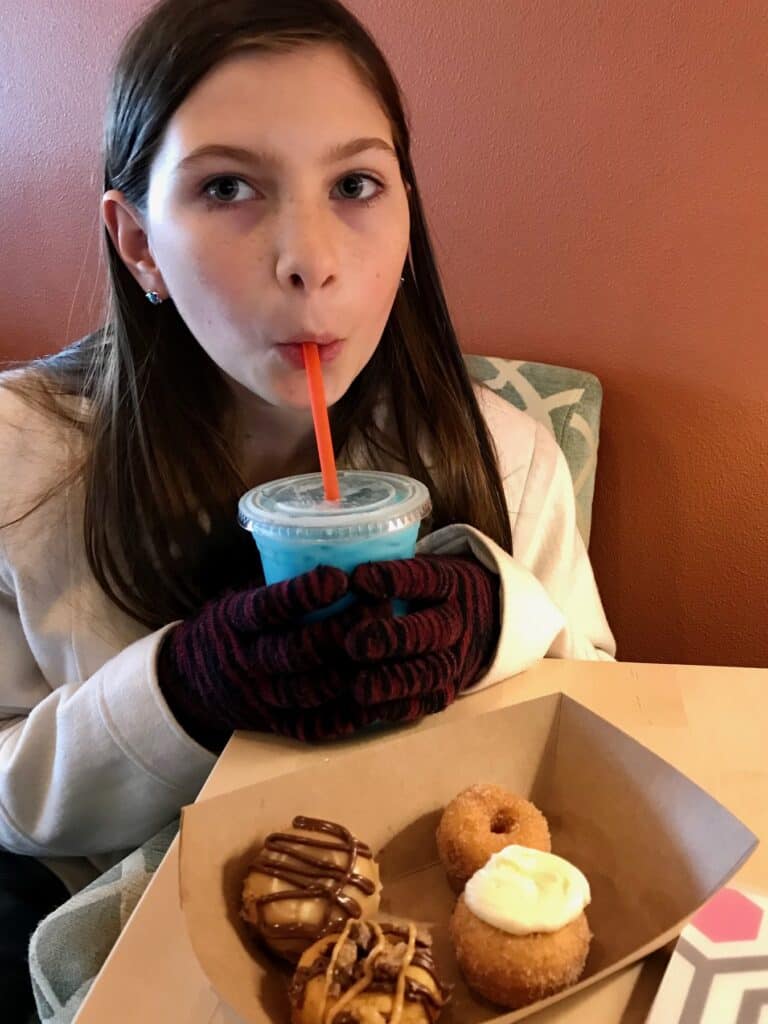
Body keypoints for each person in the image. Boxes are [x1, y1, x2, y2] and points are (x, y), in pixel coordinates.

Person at [0, 0, 615, 1015]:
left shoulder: (510, 456)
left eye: (356, 184)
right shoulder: (23, 461)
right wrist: (185, 687)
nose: (310, 258)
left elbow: (603, 727)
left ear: (408, 214)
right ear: (140, 244)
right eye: (229, 186)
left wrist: (492, 616)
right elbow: (14, 799)